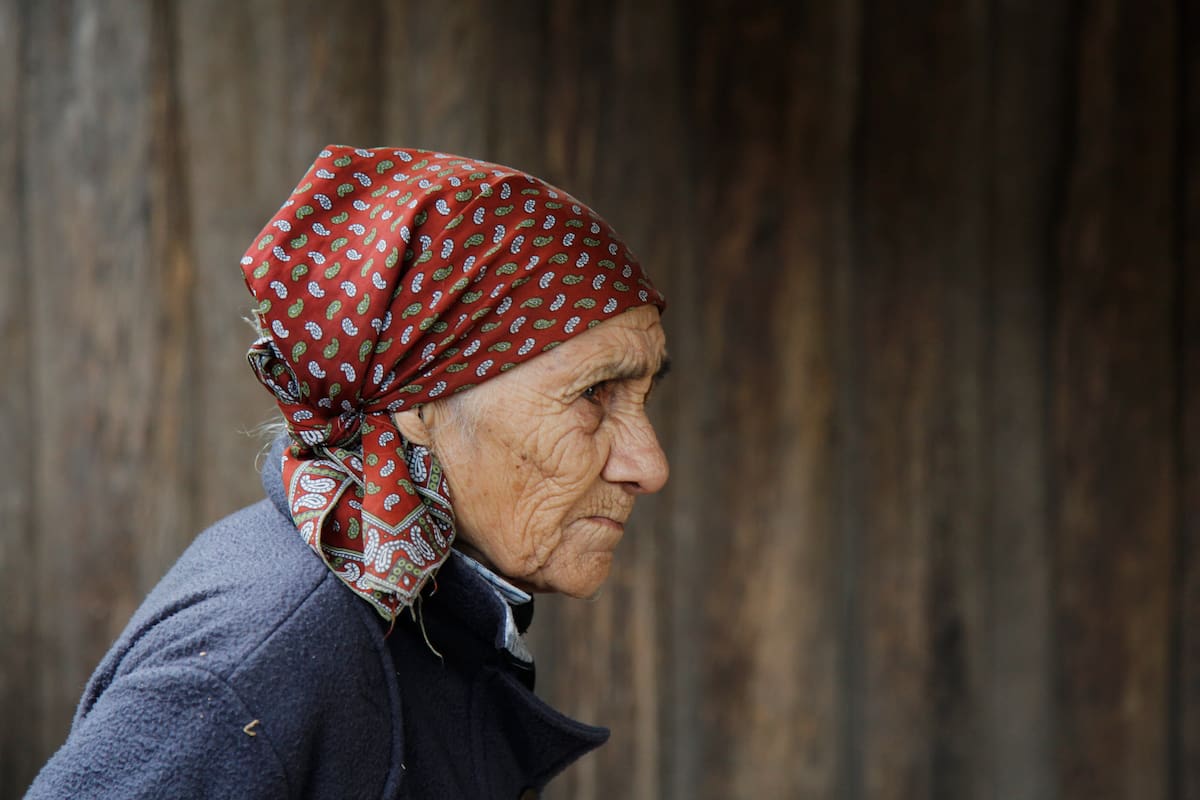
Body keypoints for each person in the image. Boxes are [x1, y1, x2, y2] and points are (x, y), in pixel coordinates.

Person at [26, 145, 670, 799]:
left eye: (644, 398)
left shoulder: (425, 612)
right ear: (421, 401)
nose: (649, 466)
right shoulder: (267, 655)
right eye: (594, 394)